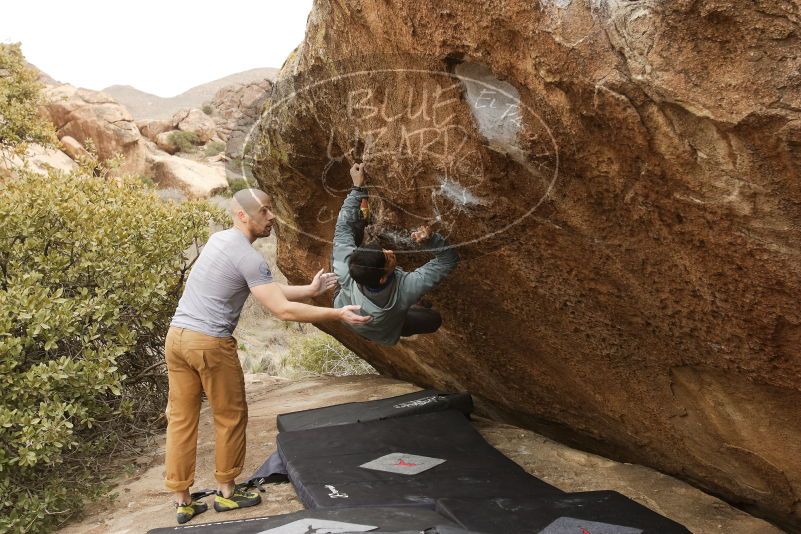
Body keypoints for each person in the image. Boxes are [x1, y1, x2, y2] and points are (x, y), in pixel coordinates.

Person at [164, 188, 371, 524]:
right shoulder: (247, 256)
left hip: (177, 339)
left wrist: (310, 290)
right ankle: (228, 494)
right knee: (230, 417)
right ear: (241, 214)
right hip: (209, 344)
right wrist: (338, 314)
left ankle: (183, 500)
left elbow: (262, 288)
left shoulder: (220, 241)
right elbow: (282, 310)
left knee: (181, 419)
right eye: (265, 211)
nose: (272, 217)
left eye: (272, 209)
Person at [332, 163, 458, 346]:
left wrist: (357, 188)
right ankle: (405, 312)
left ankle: (362, 215)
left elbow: (343, 228)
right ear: (383, 278)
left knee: (348, 234)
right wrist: (431, 242)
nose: (390, 251)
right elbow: (448, 260)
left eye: (384, 250)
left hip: (345, 308)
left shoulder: (345, 270)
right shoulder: (405, 290)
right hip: (381, 328)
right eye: (387, 258)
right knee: (433, 319)